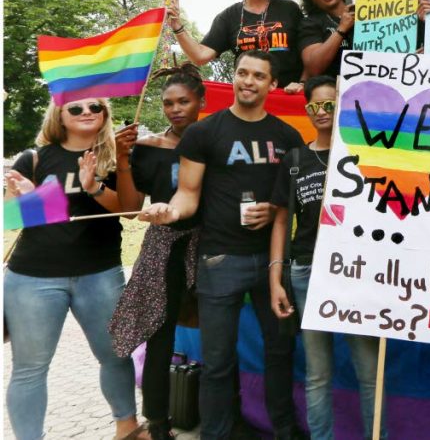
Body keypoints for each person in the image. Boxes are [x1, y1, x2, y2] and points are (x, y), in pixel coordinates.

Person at [138, 51, 306, 440]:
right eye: (242, 73)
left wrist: (276, 208)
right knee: (216, 362)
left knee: (280, 353)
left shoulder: (287, 136)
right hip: (220, 259)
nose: (248, 81)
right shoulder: (203, 133)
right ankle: (216, 434)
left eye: (258, 76)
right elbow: (188, 195)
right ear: (233, 77)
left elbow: (299, 198)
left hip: (273, 262)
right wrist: (168, 211)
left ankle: (283, 429)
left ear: (272, 84)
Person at [4, 98, 142, 440]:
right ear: (60, 116)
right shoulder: (34, 158)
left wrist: (94, 185)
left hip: (99, 273)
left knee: (115, 356)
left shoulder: (115, 157)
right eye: (76, 109)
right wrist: (30, 197)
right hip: (33, 277)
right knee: (30, 369)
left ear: (106, 114)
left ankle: (127, 428)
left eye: (95, 107)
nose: (87, 113)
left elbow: (128, 211)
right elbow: (11, 219)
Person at [269, 76, 387, 440]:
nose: (322, 112)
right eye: (315, 106)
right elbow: (281, 220)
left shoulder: (367, 155)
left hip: (358, 274)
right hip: (308, 272)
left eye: (331, 105)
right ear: (307, 111)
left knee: (370, 373)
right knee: (318, 374)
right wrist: (276, 277)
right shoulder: (296, 159)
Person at [108, 65, 206, 440]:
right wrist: (121, 160)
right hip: (163, 249)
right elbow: (132, 209)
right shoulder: (148, 149)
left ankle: (222, 414)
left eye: (184, 101)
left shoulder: (216, 141)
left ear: (201, 101)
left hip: (210, 245)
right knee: (159, 335)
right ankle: (159, 423)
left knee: (217, 331)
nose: (175, 109)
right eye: (168, 103)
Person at [167, 0, 306, 90]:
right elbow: (200, 56)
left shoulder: (289, 9)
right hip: (249, 97)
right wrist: (177, 25)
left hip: (289, 96)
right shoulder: (229, 17)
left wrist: (303, 83)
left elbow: (308, 51)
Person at [296, 0, 354, 78]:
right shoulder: (310, 24)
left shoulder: (363, 12)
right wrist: (341, 29)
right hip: (331, 91)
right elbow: (313, 68)